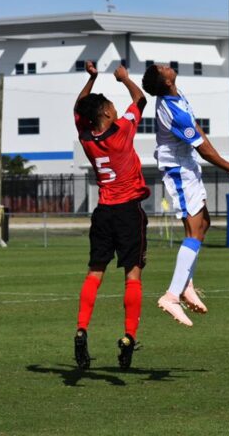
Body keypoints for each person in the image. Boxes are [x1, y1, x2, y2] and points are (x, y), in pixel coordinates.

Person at [141, 63, 229, 327]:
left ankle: (186, 285)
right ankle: (172, 296)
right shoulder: (173, 111)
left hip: (187, 164)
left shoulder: (175, 94)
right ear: (166, 82)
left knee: (204, 223)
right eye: (163, 69)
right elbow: (203, 150)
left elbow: (198, 133)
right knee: (194, 231)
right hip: (178, 169)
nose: (167, 66)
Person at [73, 61, 150, 370]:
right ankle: (129, 337)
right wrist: (125, 79)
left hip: (103, 212)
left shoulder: (86, 137)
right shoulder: (121, 131)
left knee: (95, 272)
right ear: (105, 113)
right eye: (112, 106)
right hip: (128, 211)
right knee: (132, 275)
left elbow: (79, 108)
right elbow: (140, 100)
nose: (117, 109)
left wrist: (91, 78)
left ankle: (81, 329)